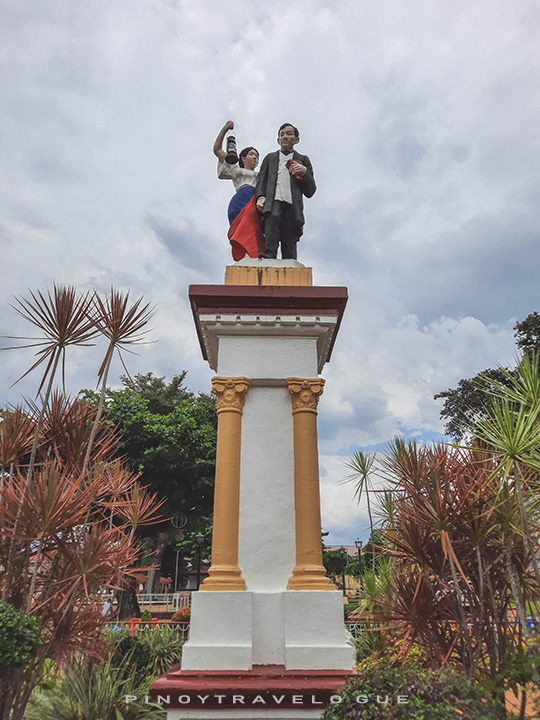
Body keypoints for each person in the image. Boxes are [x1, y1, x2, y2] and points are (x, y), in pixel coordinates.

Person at [255, 123, 316, 260]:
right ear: (278, 140)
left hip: (292, 204)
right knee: (272, 222)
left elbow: (310, 190)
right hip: (273, 201)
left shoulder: (303, 160)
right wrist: (260, 197)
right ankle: (269, 256)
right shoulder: (270, 158)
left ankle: (290, 260)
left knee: (290, 231)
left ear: (296, 139)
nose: (285, 137)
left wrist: (305, 173)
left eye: (289, 134)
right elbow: (261, 181)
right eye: (282, 135)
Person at [213, 120, 264, 261]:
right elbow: (217, 150)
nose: (255, 157)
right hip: (240, 201)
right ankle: (246, 258)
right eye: (252, 154)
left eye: (257, 156)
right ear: (243, 157)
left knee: (256, 231)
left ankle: (256, 257)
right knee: (241, 232)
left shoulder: (261, 175)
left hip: (256, 202)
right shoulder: (236, 170)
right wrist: (225, 129)